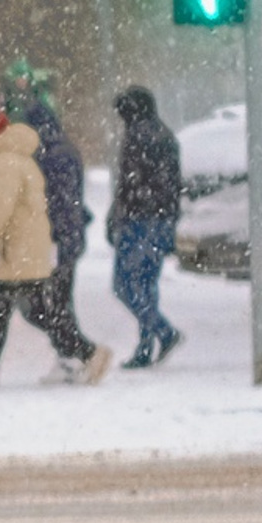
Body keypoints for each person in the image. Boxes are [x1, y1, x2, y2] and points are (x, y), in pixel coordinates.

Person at [0, 113, 90, 388]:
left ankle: (88, 352)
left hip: (16, 251)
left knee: (21, 310)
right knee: (15, 310)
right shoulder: (21, 159)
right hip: (24, 248)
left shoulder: (4, 164)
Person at [19, 96, 111, 383]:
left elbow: (56, 202)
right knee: (57, 303)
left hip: (57, 240)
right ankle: (70, 357)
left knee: (40, 305)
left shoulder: (47, 155)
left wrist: (52, 238)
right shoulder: (65, 149)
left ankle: (85, 352)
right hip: (69, 237)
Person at [109, 86, 184, 369]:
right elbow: (172, 184)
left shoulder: (137, 137)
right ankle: (145, 346)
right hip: (162, 220)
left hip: (138, 221)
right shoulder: (165, 134)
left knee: (124, 285)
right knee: (146, 284)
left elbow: (129, 185)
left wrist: (117, 217)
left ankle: (163, 332)